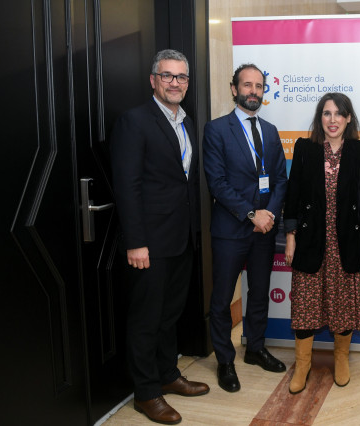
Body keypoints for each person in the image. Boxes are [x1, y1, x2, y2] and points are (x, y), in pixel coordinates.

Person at [110, 49, 209, 425]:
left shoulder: (185, 121)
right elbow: (128, 185)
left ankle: (168, 374)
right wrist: (136, 241)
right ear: (153, 80)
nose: (175, 83)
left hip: (180, 239)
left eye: (181, 77)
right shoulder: (135, 121)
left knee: (169, 314)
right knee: (146, 318)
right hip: (148, 244)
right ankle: (146, 392)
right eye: (167, 76)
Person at [284, 93, 360, 394]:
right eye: (327, 114)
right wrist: (290, 235)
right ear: (320, 118)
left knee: (342, 303)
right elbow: (293, 194)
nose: (333, 119)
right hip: (311, 238)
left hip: (346, 240)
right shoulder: (304, 148)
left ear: (349, 118)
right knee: (306, 304)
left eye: (339, 113)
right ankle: (303, 364)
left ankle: (341, 357)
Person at [203, 63, 288, 393]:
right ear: (234, 89)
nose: (253, 91)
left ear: (264, 91)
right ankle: (225, 360)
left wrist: (269, 215)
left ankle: (255, 348)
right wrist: (252, 214)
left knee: (259, 293)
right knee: (222, 298)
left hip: (264, 230)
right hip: (230, 229)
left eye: (259, 86)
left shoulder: (270, 130)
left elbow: (280, 179)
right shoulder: (216, 130)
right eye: (247, 85)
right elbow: (218, 183)